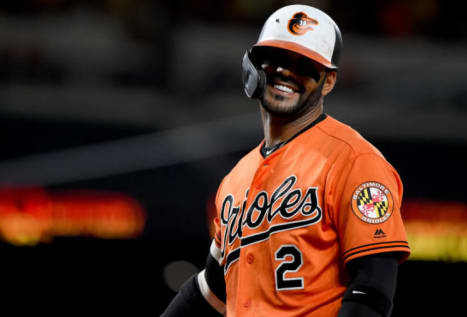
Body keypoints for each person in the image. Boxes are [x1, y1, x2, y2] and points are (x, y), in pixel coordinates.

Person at [161, 4, 410, 317]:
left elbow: (372, 288)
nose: (285, 71)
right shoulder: (235, 180)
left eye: (304, 65)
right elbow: (211, 288)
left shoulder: (355, 160)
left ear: (328, 81)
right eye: (276, 59)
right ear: (253, 66)